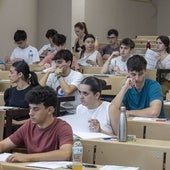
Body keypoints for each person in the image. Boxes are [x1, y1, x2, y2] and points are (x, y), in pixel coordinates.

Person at [0, 86, 73, 162]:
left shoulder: (63, 127)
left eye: (36, 109)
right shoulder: (28, 125)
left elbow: (65, 154)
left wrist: (28, 157)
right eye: (30, 108)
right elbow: (3, 145)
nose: (30, 113)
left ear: (50, 110)